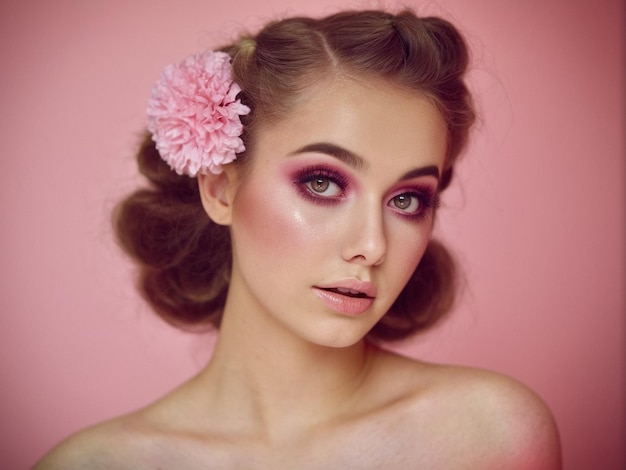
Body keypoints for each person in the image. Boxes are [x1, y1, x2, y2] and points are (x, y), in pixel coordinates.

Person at [36, 8, 561, 469]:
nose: (372, 246)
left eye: (407, 200)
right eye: (323, 182)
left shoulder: (490, 435)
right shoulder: (92, 465)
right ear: (220, 188)